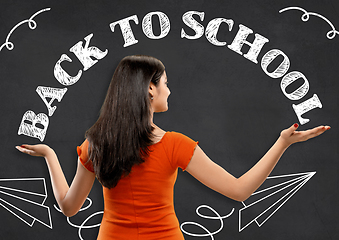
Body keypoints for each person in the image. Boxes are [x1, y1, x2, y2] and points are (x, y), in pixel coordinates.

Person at [16, 55, 330, 240]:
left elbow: (69, 208)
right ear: (149, 89)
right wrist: (282, 143)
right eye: (165, 82)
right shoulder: (174, 145)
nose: (169, 89)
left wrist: (50, 156)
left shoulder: (96, 144)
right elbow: (239, 191)